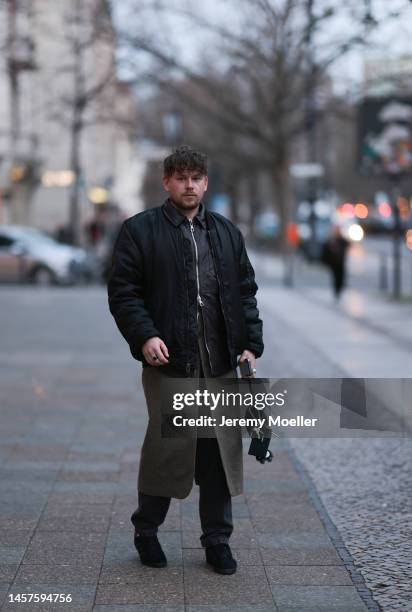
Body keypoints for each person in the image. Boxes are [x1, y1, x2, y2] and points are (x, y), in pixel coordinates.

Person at [107, 145, 263, 575]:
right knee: (169, 448)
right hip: (169, 363)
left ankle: (217, 540)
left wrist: (251, 343)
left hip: (220, 363)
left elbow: (244, 293)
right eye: (181, 177)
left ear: (206, 182)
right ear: (167, 182)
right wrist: (145, 336)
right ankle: (146, 531)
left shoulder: (227, 233)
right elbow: (124, 293)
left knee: (217, 454)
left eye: (196, 177)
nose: (189, 185)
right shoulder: (139, 230)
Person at [321, 226, 350, 299]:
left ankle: (339, 289)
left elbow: (347, 245)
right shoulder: (331, 240)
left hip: (341, 262)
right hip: (334, 263)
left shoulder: (342, 240)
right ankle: (336, 291)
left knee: (341, 277)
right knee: (335, 277)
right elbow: (326, 251)